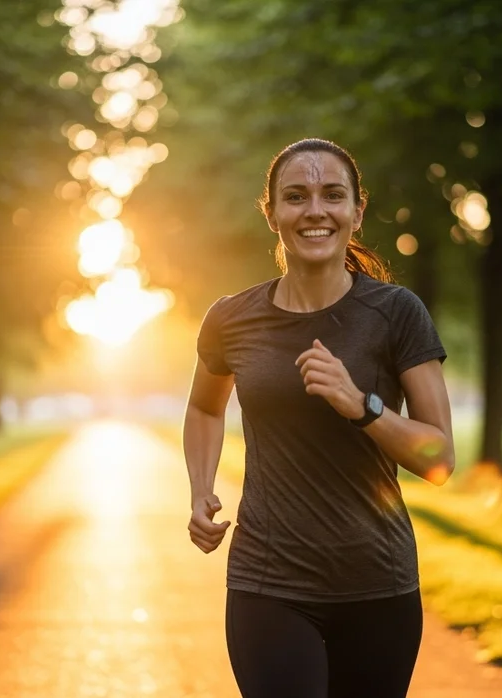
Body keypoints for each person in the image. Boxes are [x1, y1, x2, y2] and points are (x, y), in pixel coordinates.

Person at [183, 138, 455, 698]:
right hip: (268, 583)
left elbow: (440, 459)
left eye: (333, 195)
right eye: (296, 196)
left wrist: (362, 406)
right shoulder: (231, 319)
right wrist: (200, 489)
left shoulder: (396, 313)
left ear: (357, 213)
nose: (314, 210)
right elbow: (205, 405)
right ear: (272, 213)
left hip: (378, 585)